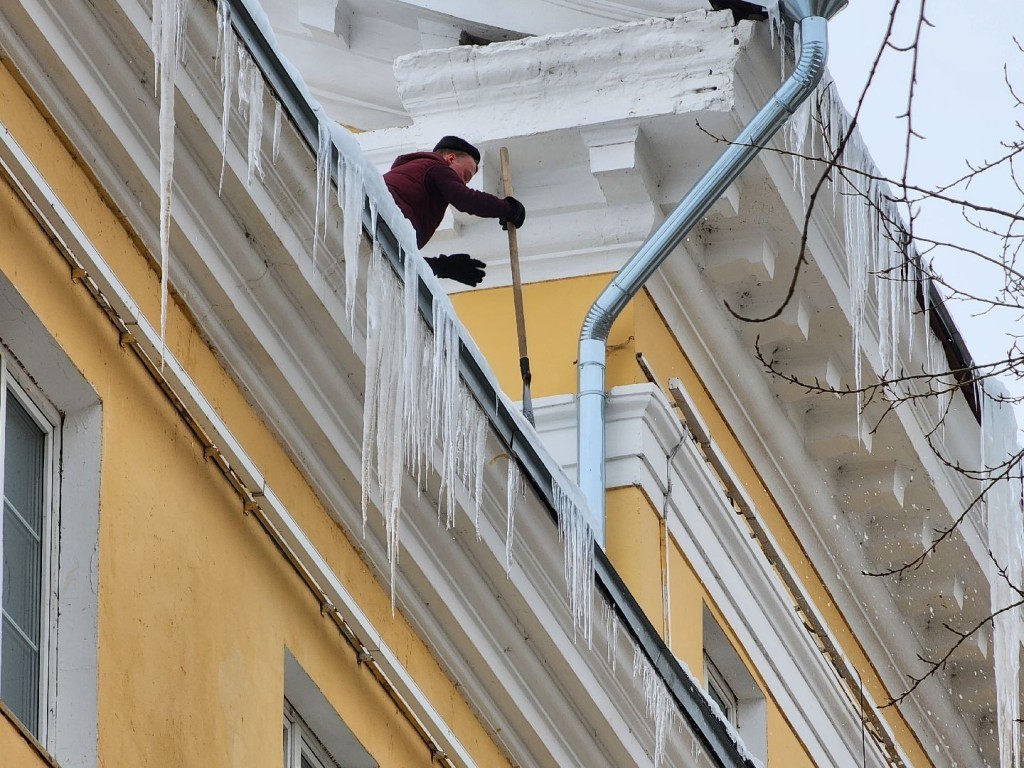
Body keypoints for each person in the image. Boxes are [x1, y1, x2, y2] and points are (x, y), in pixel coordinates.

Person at [384, 136, 526, 286]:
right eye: (465, 175)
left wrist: (443, 266)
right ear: (450, 158)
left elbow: (401, 259)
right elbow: (466, 199)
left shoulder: (418, 184)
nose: (463, 183)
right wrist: (508, 208)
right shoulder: (436, 166)